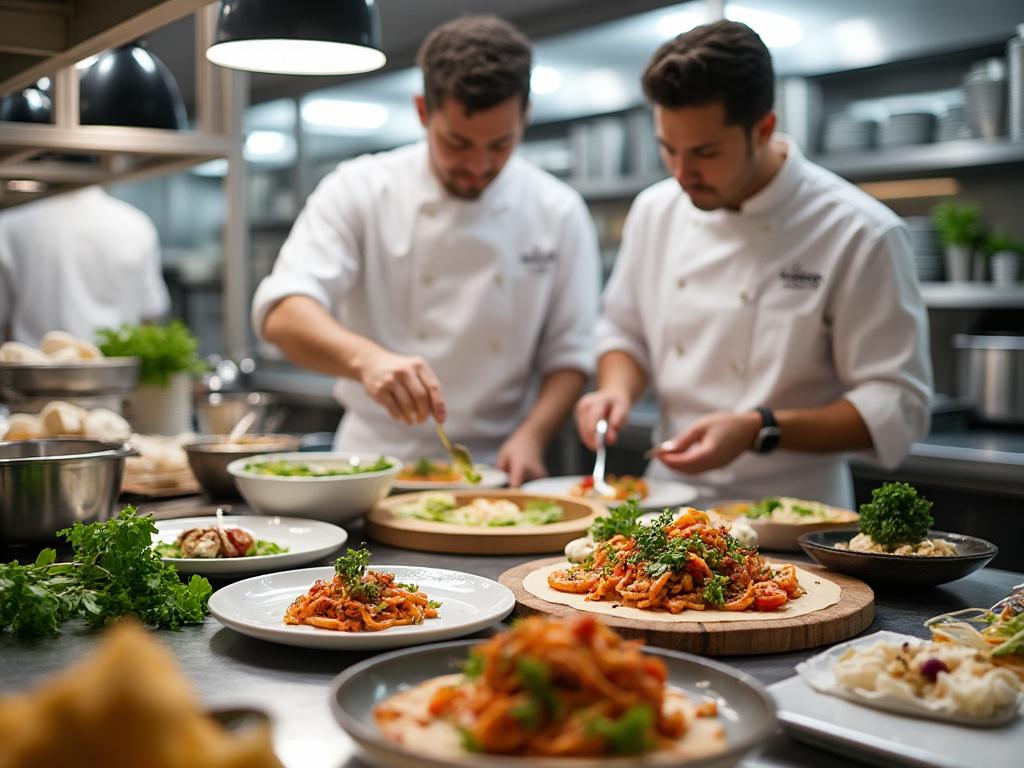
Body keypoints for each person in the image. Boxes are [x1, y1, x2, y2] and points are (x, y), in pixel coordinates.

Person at [575, 20, 932, 508]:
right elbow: (624, 332)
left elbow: (898, 404)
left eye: (705, 152)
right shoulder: (655, 210)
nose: (682, 174)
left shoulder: (858, 231)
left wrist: (757, 428)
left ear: (763, 128)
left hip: (794, 516)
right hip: (664, 504)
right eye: (668, 149)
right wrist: (615, 391)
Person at [252, 16, 600, 486]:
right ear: (422, 111)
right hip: (372, 468)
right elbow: (282, 314)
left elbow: (571, 355)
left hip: (496, 470)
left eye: (500, 144)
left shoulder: (557, 210)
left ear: (526, 116)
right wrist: (366, 360)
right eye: (457, 142)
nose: (478, 165)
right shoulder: (360, 188)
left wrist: (533, 435)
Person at [0, 186, 170, 347]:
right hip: (116, 370)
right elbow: (150, 311)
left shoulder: (10, 223)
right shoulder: (137, 223)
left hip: (34, 372)